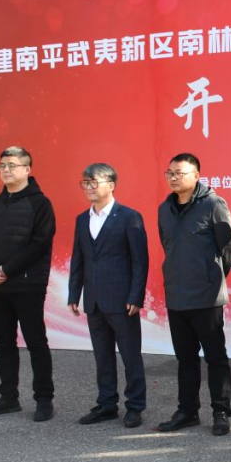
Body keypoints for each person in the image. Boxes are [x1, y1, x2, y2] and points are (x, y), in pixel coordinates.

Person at [0, 146, 57, 422]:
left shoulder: (40, 204)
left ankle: (44, 399)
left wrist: (7, 270)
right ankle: (8, 397)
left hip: (28, 286)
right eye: (2, 166)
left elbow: (40, 244)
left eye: (12, 165)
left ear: (27, 169)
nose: (6, 170)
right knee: (3, 342)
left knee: (36, 341)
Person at [156, 153, 231, 435]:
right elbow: (168, 246)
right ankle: (187, 411)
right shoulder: (165, 209)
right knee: (185, 358)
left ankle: (221, 412)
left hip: (207, 296)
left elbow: (229, 247)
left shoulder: (213, 204)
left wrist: (211, 276)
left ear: (197, 176)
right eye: (170, 173)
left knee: (216, 357)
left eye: (180, 173)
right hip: (177, 296)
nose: (174, 178)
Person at [67, 163, 149, 429]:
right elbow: (78, 259)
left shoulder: (129, 217)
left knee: (130, 355)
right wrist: (74, 293)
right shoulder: (82, 219)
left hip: (122, 300)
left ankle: (135, 406)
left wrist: (136, 296)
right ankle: (106, 404)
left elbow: (140, 262)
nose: (89, 187)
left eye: (94, 182)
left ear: (111, 185)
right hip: (93, 300)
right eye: (85, 183)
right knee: (102, 356)